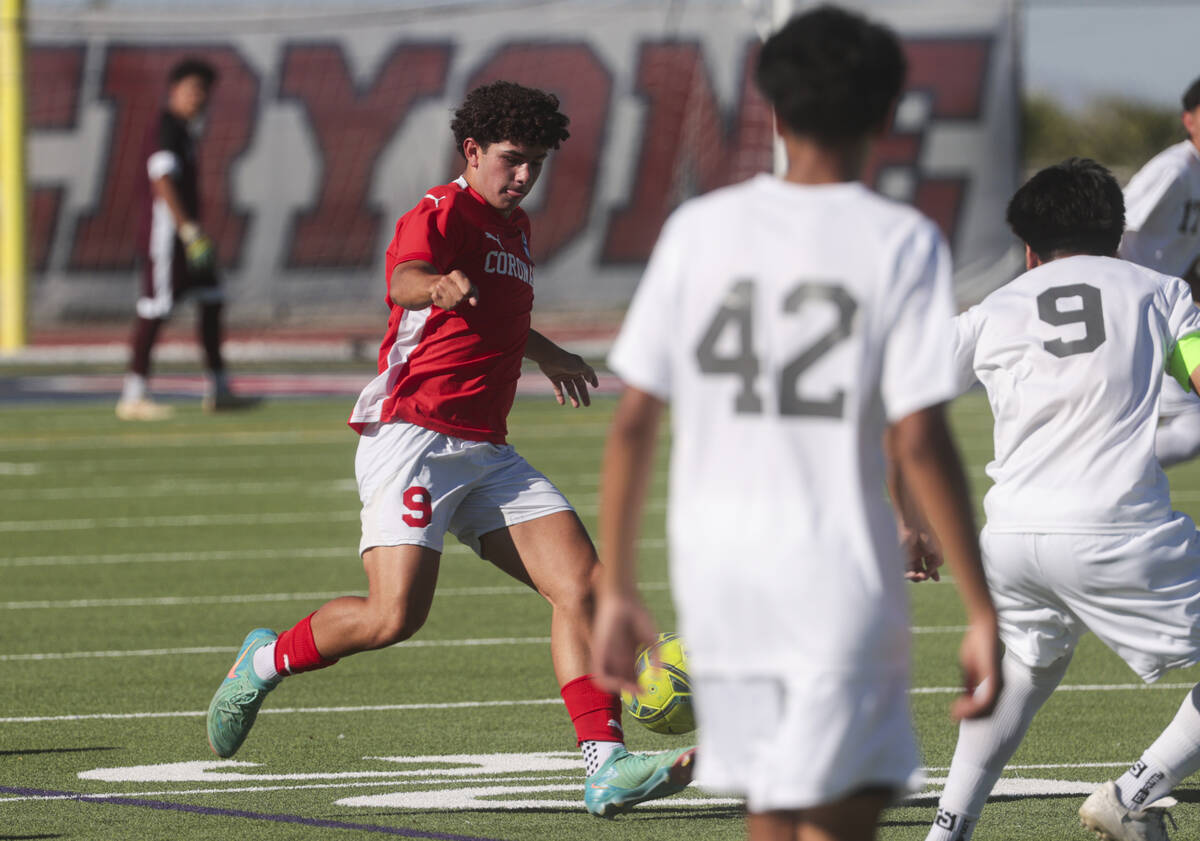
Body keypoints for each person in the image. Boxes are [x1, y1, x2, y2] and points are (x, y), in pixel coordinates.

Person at [205, 80, 694, 818]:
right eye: (511, 159)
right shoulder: (442, 211)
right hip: (414, 435)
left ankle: (606, 765)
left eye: (534, 163)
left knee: (583, 587)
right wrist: (433, 285)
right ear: (472, 151)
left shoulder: (514, 227)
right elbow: (402, 278)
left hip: (485, 450)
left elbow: (492, 318)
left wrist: (547, 350)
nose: (524, 174)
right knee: (393, 615)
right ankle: (265, 658)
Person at [590, 7, 1002, 841]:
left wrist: (621, 587)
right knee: (846, 809)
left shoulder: (698, 230)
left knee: (773, 808)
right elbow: (917, 434)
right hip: (833, 566)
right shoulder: (901, 240)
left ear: (771, 106)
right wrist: (981, 605)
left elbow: (633, 422)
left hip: (721, 574)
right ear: (887, 113)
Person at [922, 158, 1200, 841]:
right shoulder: (1161, 290)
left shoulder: (994, 308)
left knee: (1031, 664)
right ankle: (1134, 791)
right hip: (1114, 529)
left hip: (1011, 538)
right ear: (1119, 229)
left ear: (1028, 247)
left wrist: (909, 518)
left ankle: (946, 832)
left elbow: (905, 400)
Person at [116, 57, 254, 421]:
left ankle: (219, 388)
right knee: (155, 307)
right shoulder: (168, 126)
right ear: (174, 90)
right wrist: (187, 229)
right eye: (192, 89)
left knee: (212, 299)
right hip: (168, 236)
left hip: (186, 237)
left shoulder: (185, 130)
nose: (199, 97)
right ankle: (133, 394)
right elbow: (161, 179)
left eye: (204, 91)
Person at [1120, 76, 1200, 467]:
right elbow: (1113, 225)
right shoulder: (1173, 170)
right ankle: (1104, 466)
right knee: (1191, 427)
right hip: (1133, 309)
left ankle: (1103, 468)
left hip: (1165, 312)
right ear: (1189, 120)